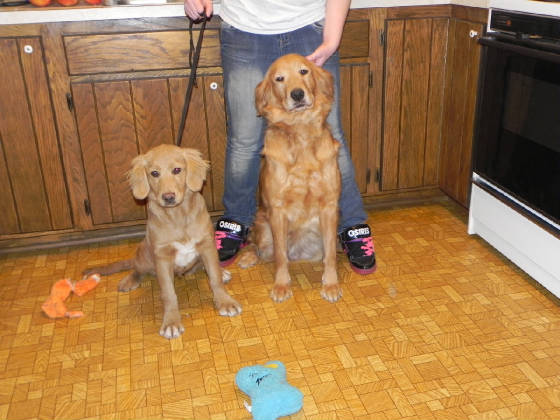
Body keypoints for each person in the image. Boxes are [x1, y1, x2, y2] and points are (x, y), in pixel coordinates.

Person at [183, 0, 376, 275]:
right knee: (243, 141)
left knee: (333, 138)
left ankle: (352, 225)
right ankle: (236, 221)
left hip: (309, 27)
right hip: (243, 28)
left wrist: (332, 38)